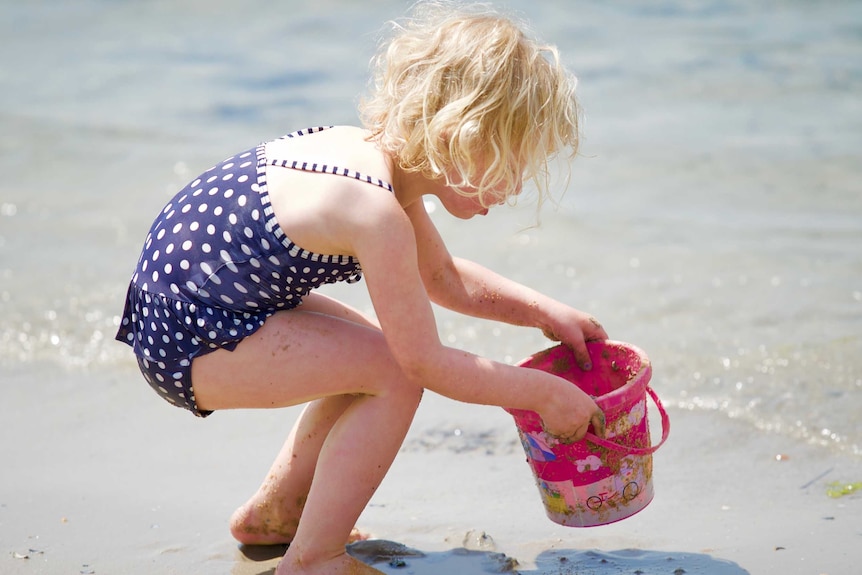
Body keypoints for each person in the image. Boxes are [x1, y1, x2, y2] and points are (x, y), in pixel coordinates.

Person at [116, 2, 608, 574]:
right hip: (192, 334)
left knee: (379, 353)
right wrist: (542, 394)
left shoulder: (372, 162)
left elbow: (443, 280)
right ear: (460, 133)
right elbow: (425, 364)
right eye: (509, 162)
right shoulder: (373, 211)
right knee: (396, 370)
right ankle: (315, 559)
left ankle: (275, 513)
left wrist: (545, 313)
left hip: (191, 308)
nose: (517, 185)